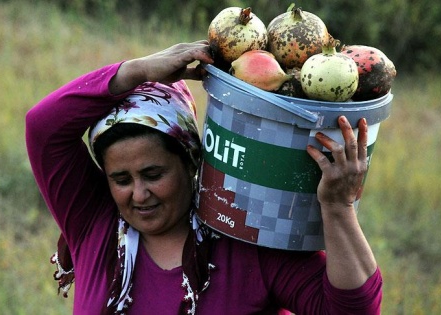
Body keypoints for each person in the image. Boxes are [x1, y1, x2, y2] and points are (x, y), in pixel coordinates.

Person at [25, 40, 382, 314]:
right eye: (121, 179)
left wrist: (338, 206)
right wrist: (138, 70)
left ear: (192, 160)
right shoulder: (94, 225)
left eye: (153, 174)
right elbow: (42, 127)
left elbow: (351, 310)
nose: (138, 194)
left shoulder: (245, 236)